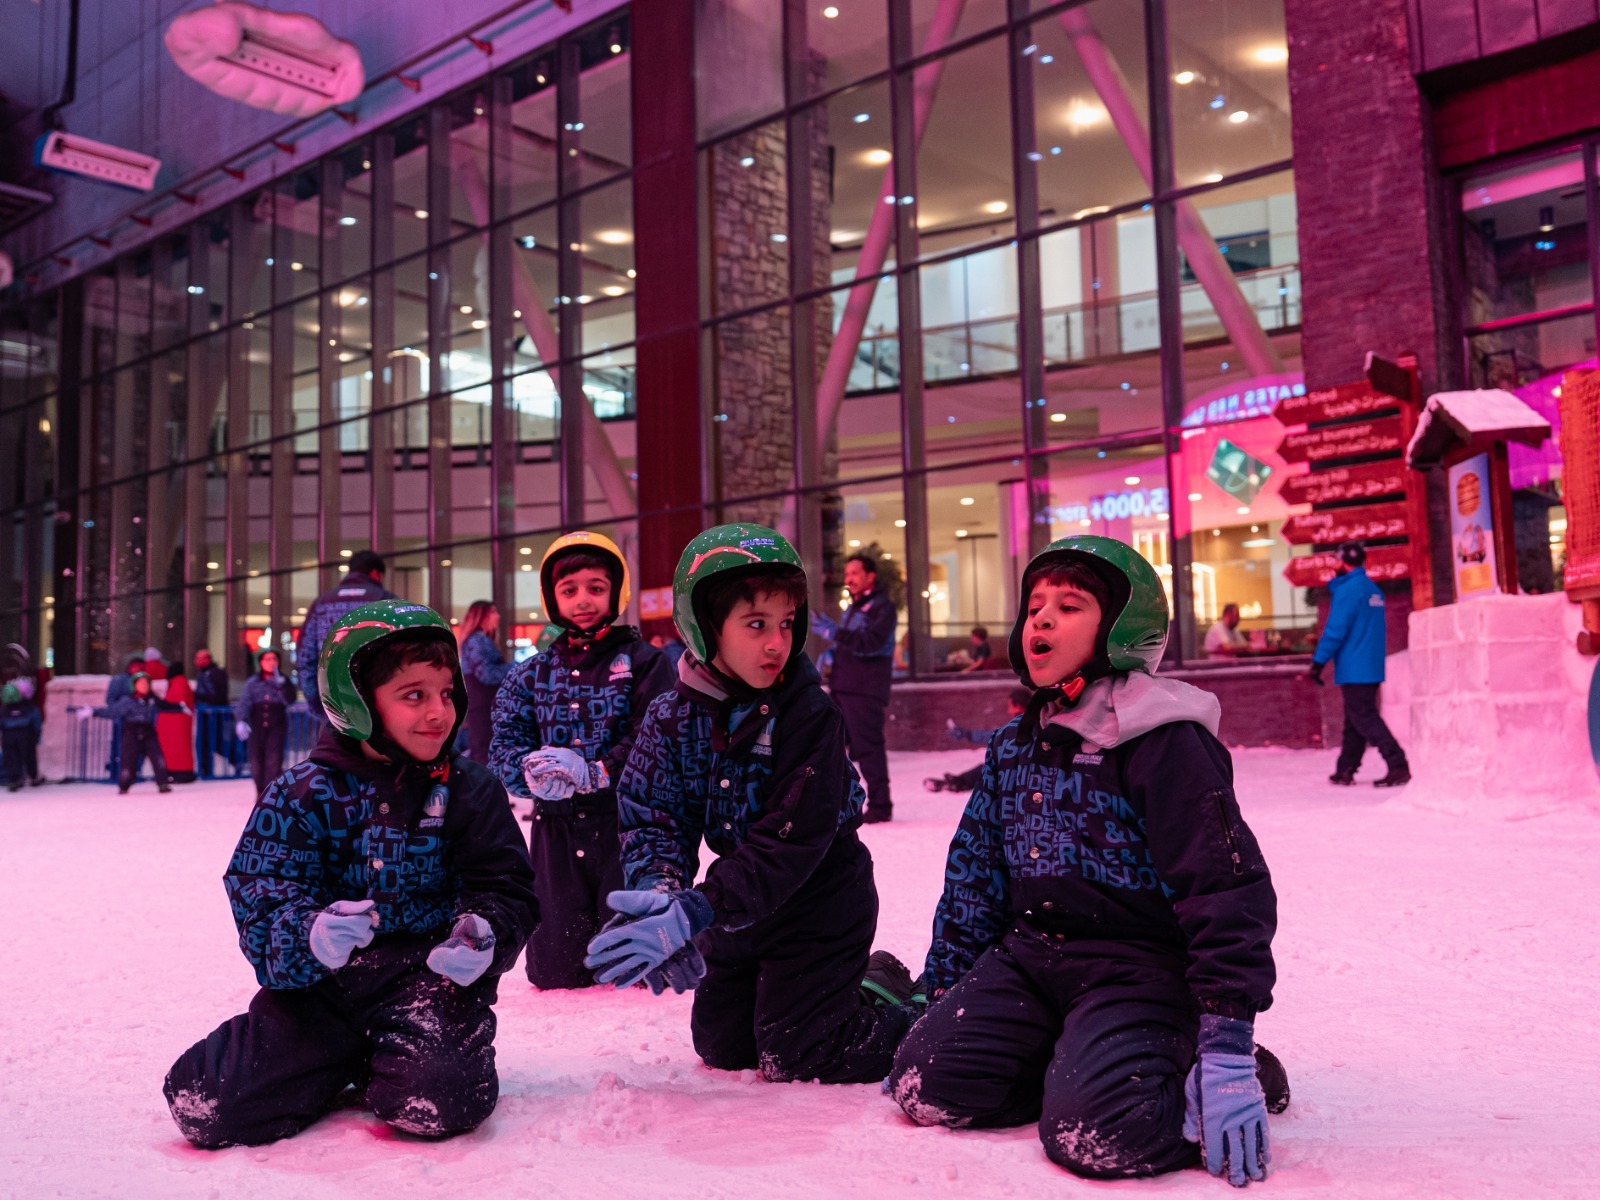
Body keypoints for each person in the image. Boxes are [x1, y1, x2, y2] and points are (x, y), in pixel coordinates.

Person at [886, 535, 1287, 1186]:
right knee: (924, 1084)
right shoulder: (1017, 742)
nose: (1041, 617)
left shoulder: (1165, 741)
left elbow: (1225, 887)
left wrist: (1227, 1037)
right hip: (1030, 959)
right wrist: (942, 989)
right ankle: (1086, 1062)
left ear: (1123, 628)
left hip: (1139, 972)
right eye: (1035, 604)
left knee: (1097, 1133)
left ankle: (1193, 1066)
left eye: (1069, 606)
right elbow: (975, 872)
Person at [163, 600, 538, 1149]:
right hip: (321, 988)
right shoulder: (299, 795)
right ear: (355, 702)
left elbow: (506, 887)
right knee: (204, 1104)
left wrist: (484, 934)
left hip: (428, 981)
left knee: (440, 1101)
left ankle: (394, 1057)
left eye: (446, 692)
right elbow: (261, 891)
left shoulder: (469, 790)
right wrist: (309, 934)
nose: (440, 711)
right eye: (414, 695)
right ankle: (343, 1056)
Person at [586, 523, 919, 1084]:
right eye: (756, 624)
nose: (776, 643)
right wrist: (662, 899)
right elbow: (654, 821)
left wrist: (697, 912)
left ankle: (901, 1003)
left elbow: (787, 845)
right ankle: (848, 984)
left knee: (800, 1052)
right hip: (742, 907)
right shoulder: (671, 717)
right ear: (704, 628)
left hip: (823, 898)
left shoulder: (810, 715)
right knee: (723, 1045)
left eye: (787, 624)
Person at [488, 533, 674, 989]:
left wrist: (599, 771)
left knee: (632, 968)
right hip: (555, 828)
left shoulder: (647, 662)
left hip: (626, 825)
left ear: (616, 592)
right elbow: (502, 746)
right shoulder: (530, 673)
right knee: (554, 971)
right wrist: (530, 773)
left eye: (596, 587)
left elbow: (657, 736)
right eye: (569, 590)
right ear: (552, 598)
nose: (583, 600)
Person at [1311, 542, 1410, 787]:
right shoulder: (1372, 589)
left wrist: (1318, 662)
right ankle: (1346, 768)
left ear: (1343, 562)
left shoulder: (1348, 591)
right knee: (1354, 718)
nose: (1334, 567)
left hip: (1354, 667)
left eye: (1336, 561)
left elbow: (1335, 630)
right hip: (1371, 666)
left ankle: (1398, 764)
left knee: (1364, 717)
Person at [811, 552, 898, 822]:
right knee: (833, 746)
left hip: (865, 688)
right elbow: (850, 643)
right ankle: (838, 805)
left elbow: (872, 643)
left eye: (854, 574)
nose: (848, 579)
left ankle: (880, 805)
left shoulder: (882, 607)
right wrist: (832, 653)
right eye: (847, 574)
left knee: (868, 746)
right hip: (843, 685)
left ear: (870, 576)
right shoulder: (854, 607)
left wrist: (834, 633)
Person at [297, 551, 397, 724]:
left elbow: (305, 656)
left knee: (333, 749)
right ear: (375, 573)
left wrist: (316, 702)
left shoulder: (322, 603)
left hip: (333, 701)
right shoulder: (386, 601)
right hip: (377, 703)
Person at [923, 686, 1032, 793]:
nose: (1008, 711)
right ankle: (957, 782)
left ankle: (957, 783)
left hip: (1024, 775)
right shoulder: (1029, 721)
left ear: (1018, 706)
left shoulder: (1023, 725)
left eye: (1010, 706)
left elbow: (995, 736)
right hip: (1024, 773)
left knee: (989, 770)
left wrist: (967, 734)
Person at [89, 672, 184, 794]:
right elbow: (113, 712)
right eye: (141, 683)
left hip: (149, 732)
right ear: (134, 686)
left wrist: (180, 707)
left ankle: (163, 783)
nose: (144, 686)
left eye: (146, 683)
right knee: (128, 761)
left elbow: (166, 706)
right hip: (132, 732)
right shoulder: (128, 701)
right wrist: (93, 712)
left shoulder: (152, 700)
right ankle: (124, 785)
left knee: (158, 758)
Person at [233, 648, 298, 799]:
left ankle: (272, 795)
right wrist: (241, 720)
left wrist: (282, 686)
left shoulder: (283, 681)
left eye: (274, 659)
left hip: (276, 725)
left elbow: (289, 700)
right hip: (256, 725)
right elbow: (244, 702)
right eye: (267, 659)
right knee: (256, 763)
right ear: (260, 662)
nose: (271, 663)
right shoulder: (253, 682)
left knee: (273, 762)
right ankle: (260, 791)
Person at [456, 601, 512, 764]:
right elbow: (487, 674)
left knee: (483, 749)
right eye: (493, 612)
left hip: (482, 705)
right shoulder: (478, 641)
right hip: (484, 706)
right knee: (484, 751)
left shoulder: (477, 640)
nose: (498, 616)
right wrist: (515, 666)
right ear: (483, 615)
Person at [1, 682, 43, 791]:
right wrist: (37, 735)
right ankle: (33, 777)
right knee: (29, 756)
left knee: (11, 757)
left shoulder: (4, 710)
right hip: (26, 734)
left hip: (8, 736)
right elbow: (36, 721)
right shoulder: (29, 707)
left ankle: (14, 779)